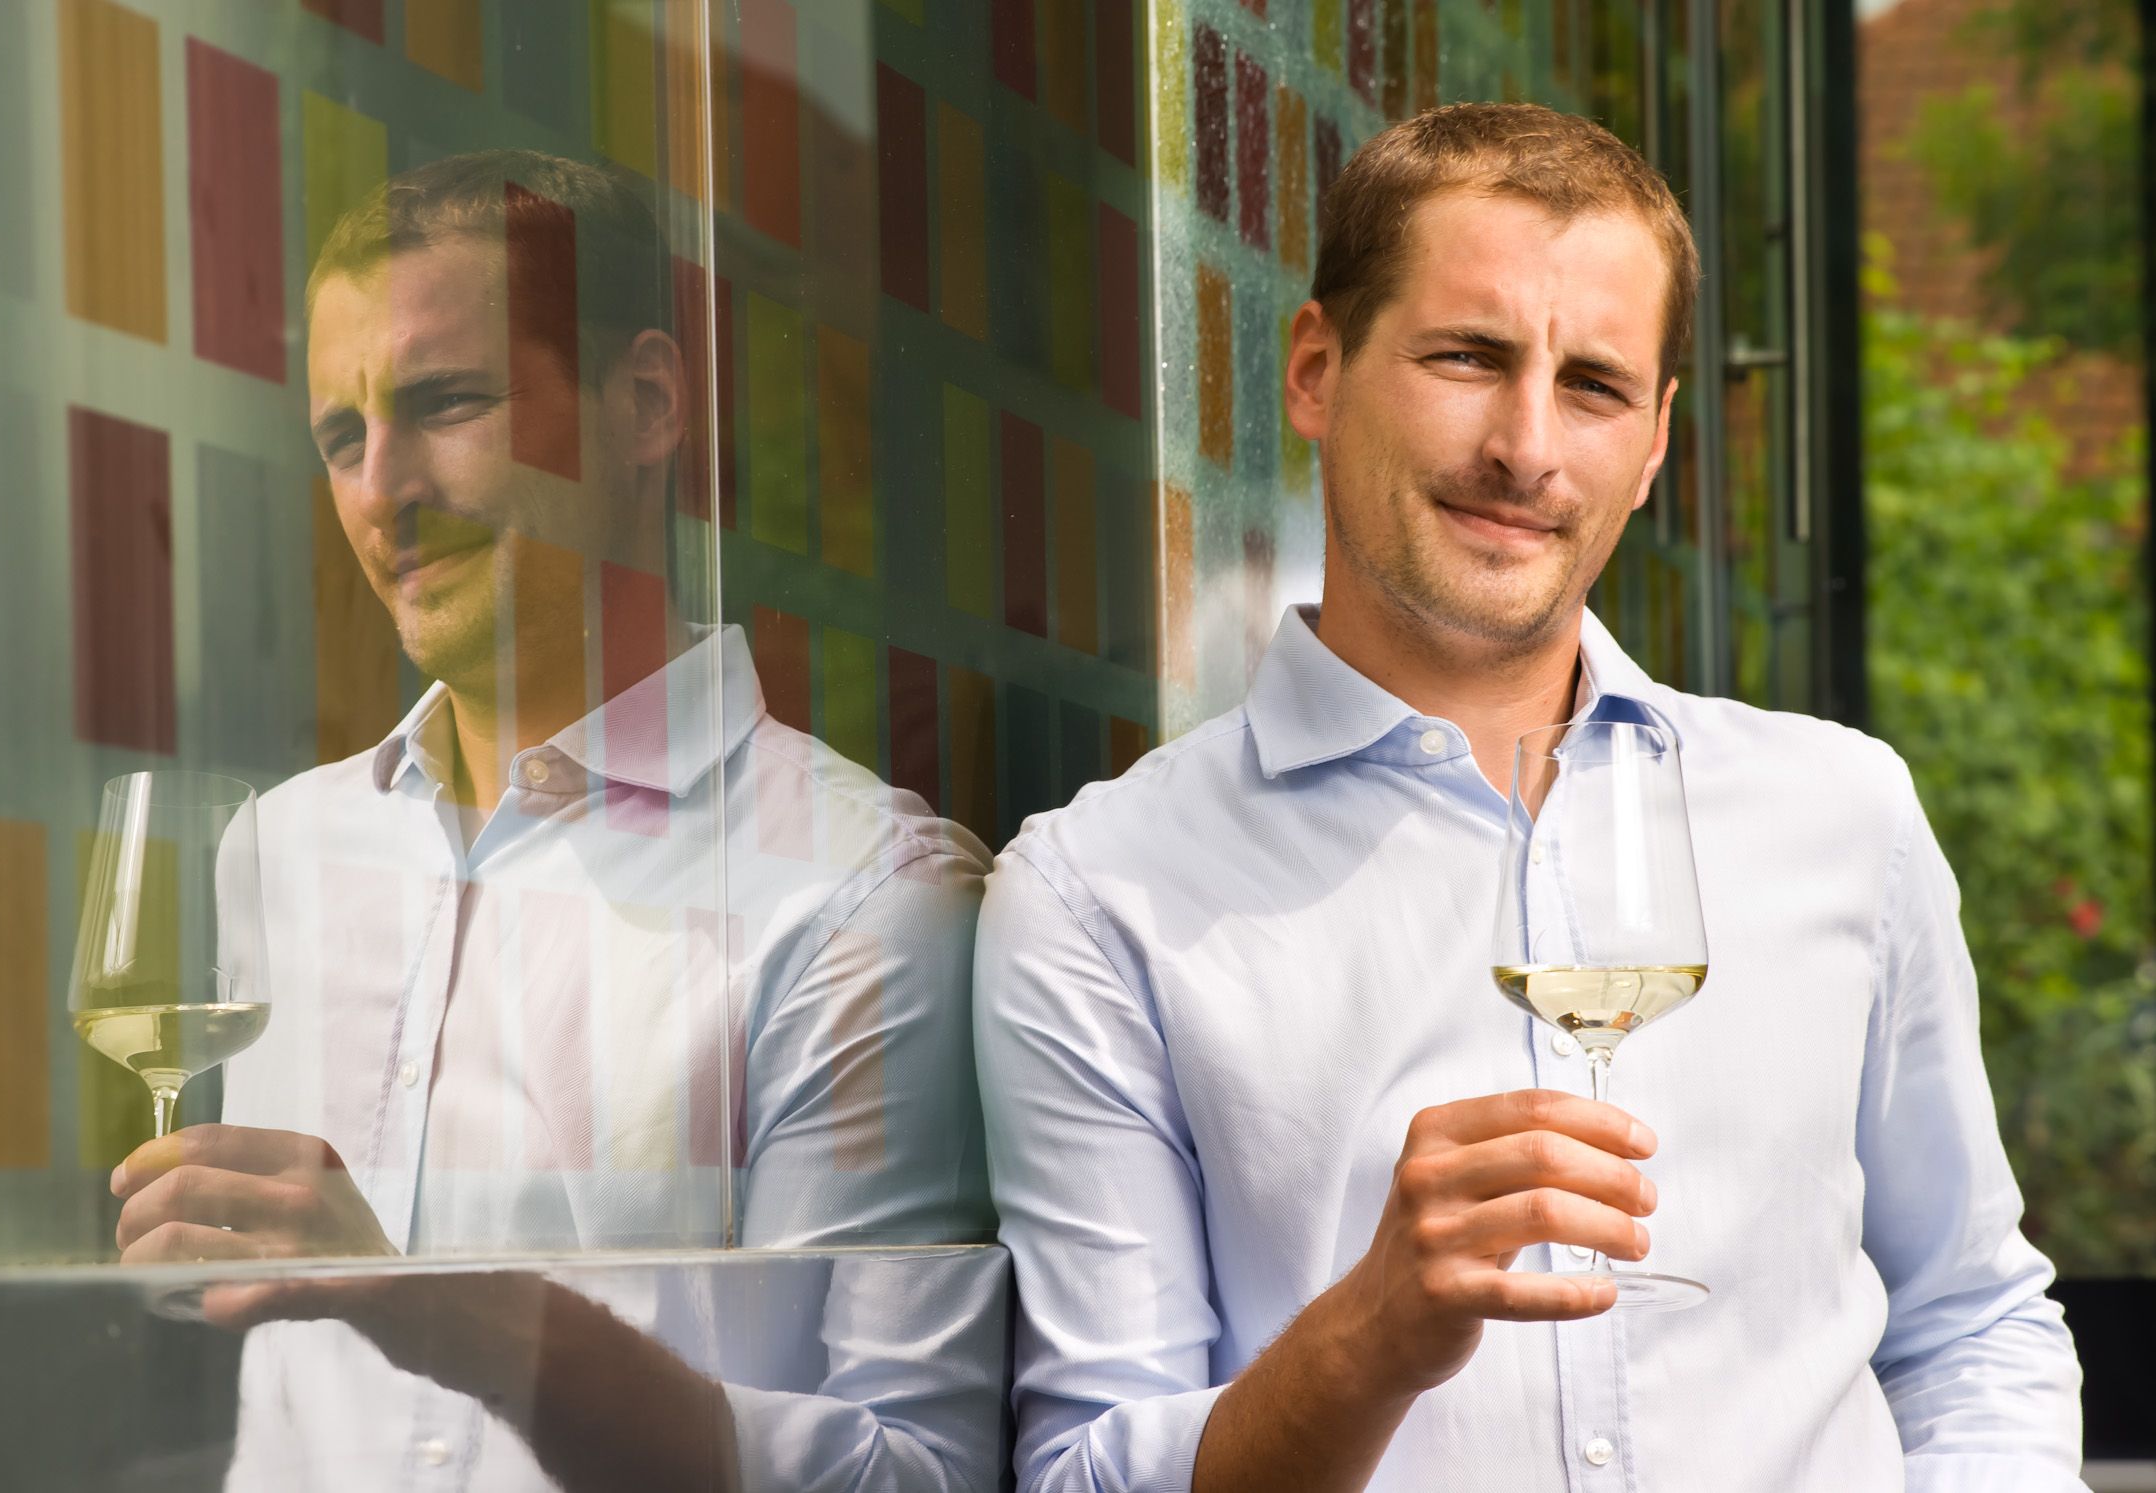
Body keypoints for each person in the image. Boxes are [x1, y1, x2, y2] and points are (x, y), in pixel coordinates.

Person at [973, 102, 2088, 1493]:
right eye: (1468, 356)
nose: (1528, 447)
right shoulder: (1095, 897)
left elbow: (1973, 1325)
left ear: (1659, 438)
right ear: (1316, 369)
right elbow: (1081, 1471)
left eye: (1597, 387)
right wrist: (1368, 1337)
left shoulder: (1843, 815)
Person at [107, 149, 997, 1490]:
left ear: (645, 404)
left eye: (446, 403)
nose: (380, 487)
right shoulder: (279, 853)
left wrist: (438, 1305)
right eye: (342, 436)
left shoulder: (866, 896)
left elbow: (912, 1472)